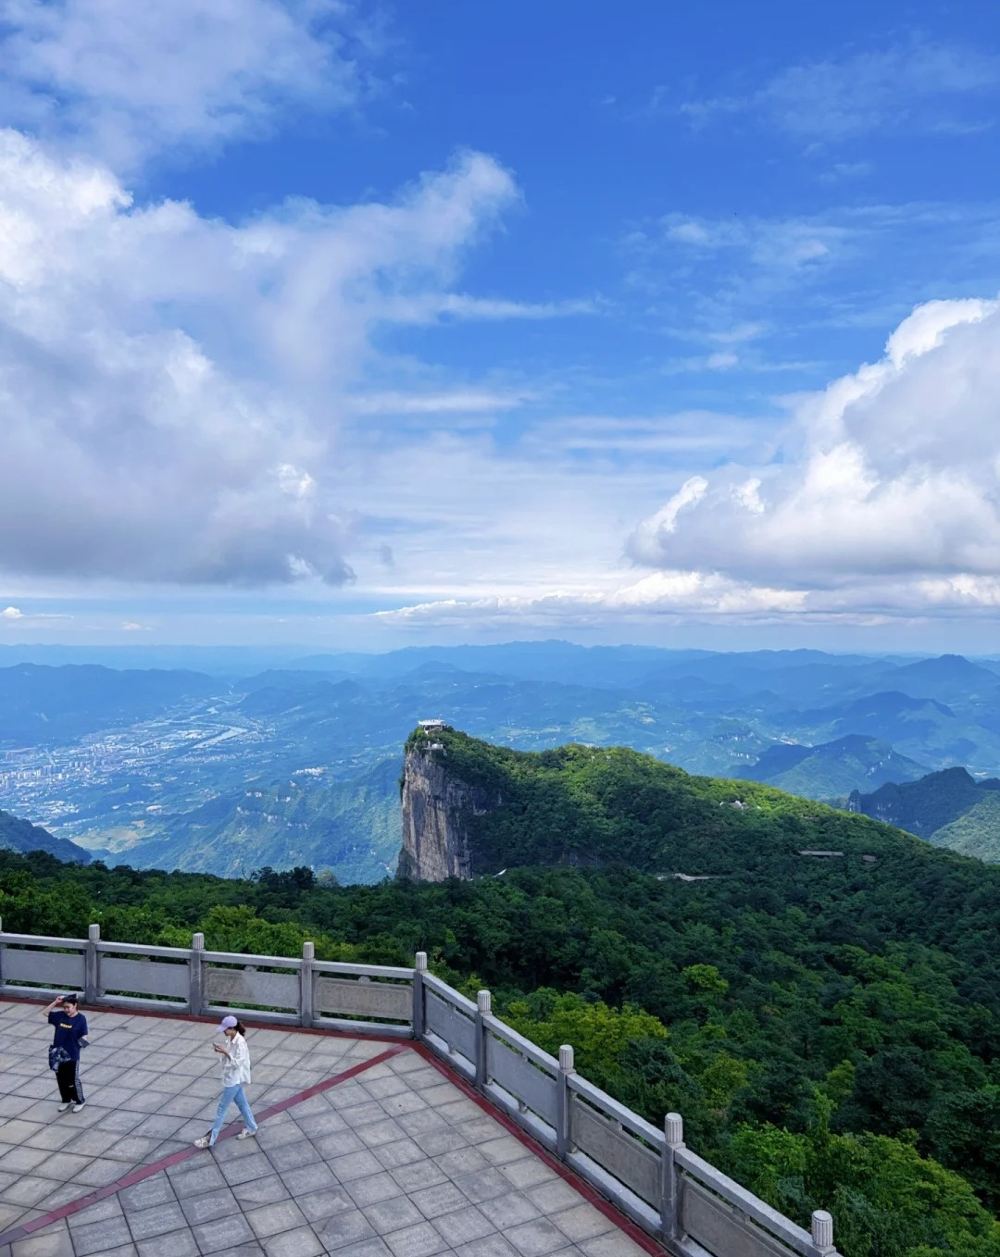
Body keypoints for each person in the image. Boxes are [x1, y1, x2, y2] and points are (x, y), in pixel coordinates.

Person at [194, 1015, 258, 1149]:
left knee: (221, 1109)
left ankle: (210, 1139)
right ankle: (252, 1127)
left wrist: (225, 1052)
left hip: (234, 1080)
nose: (223, 1031)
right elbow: (230, 1059)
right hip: (232, 1078)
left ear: (232, 1028)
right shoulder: (231, 1039)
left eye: (225, 1029)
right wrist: (223, 1051)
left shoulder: (240, 1043)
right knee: (243, 1105)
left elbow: (237, 1064)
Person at [43, 994, 89, 1112]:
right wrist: (55, 1002)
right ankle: (66, 1100)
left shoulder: (81, 1019)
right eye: (64, 1007)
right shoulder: (60, 1016)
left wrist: (79, 1046)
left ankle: (80, 1100)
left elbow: (84, 1035)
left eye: (68, 1007)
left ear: (75, 1006)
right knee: (61, 1079)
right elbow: (45, 1013)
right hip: (58, 1053)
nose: (66, 1010)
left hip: (72, 1054)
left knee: (73, 1079)